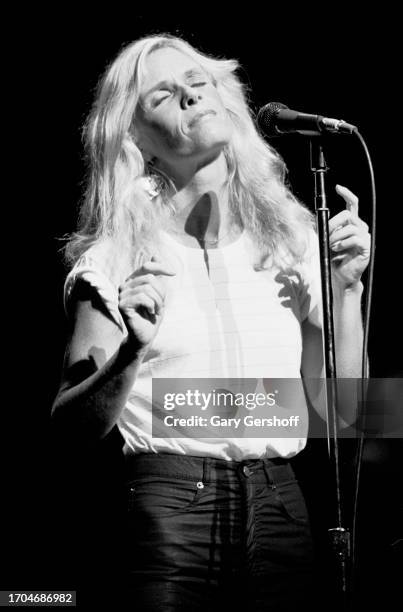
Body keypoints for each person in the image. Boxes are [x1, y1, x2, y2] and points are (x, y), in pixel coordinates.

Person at [51, 34, 371, 611]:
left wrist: (346, 294)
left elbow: (347, 414)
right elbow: (67, 428)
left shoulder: (292, 241)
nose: (191, 95)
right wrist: (130, 355)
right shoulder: (118, 259)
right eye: (164, 96)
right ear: (136, 140)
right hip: (170, 511)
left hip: (282, 507)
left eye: (199, 82)